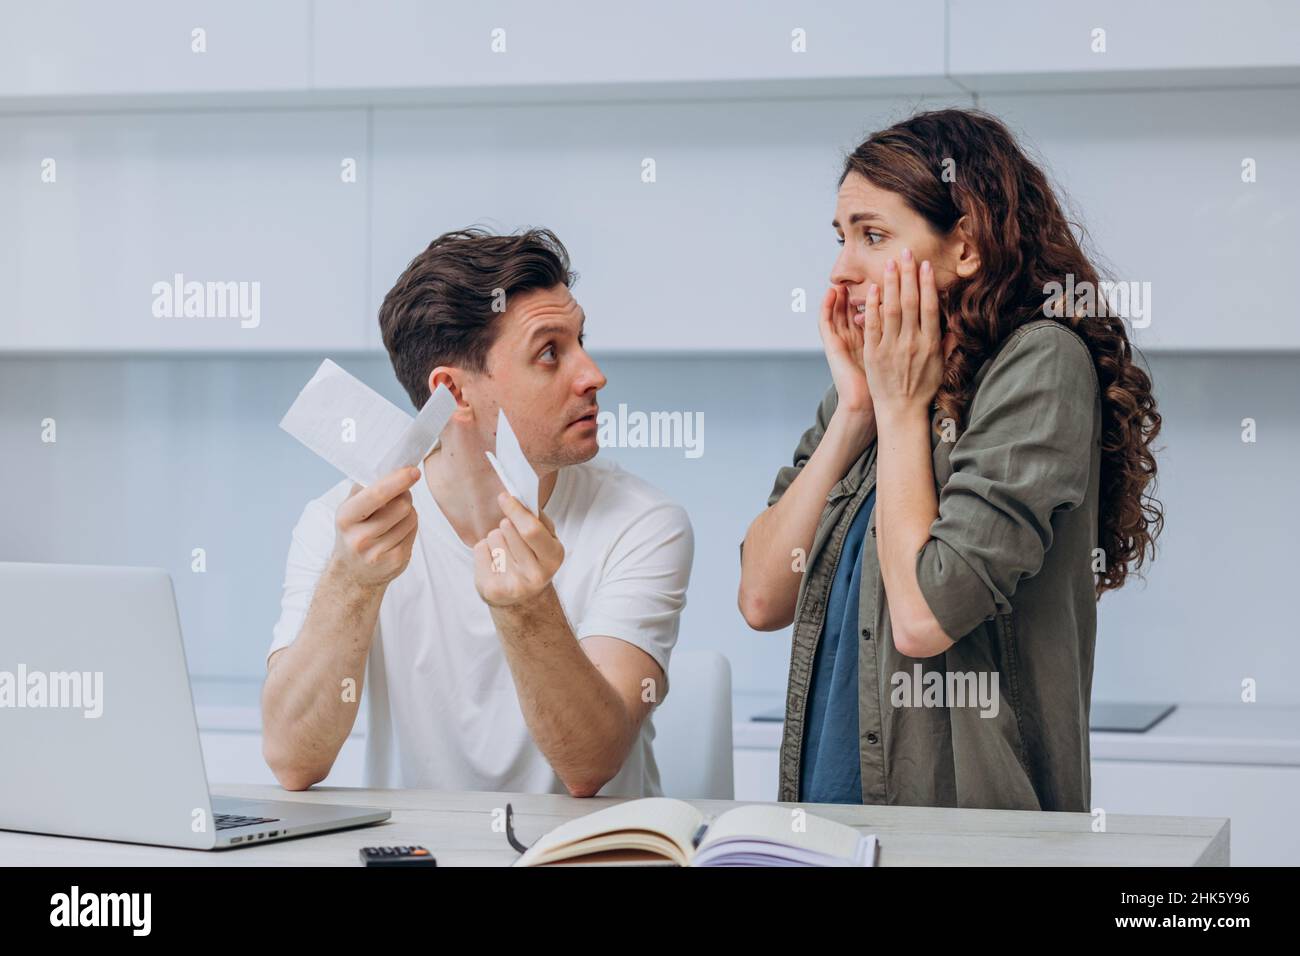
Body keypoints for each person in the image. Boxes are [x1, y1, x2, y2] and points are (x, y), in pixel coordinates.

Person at [738, 109, 1163, 811]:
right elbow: (760, 597)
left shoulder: (1040, 362)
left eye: (873, 236)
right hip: (830, 816)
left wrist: (901, 414)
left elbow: (923, 619)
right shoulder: (872, 381)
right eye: (841, 238)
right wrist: (855, 414)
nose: (843, 269)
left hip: (972, 832)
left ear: (964, 245)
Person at [262, 227, 694, 797]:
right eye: (550, 353)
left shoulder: (642, 522)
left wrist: (527, 607)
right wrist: (353, 583)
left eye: (581, 340)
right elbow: (293, 760)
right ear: (454, 393)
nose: (593, 374)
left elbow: (592, 763)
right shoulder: (343, 526)